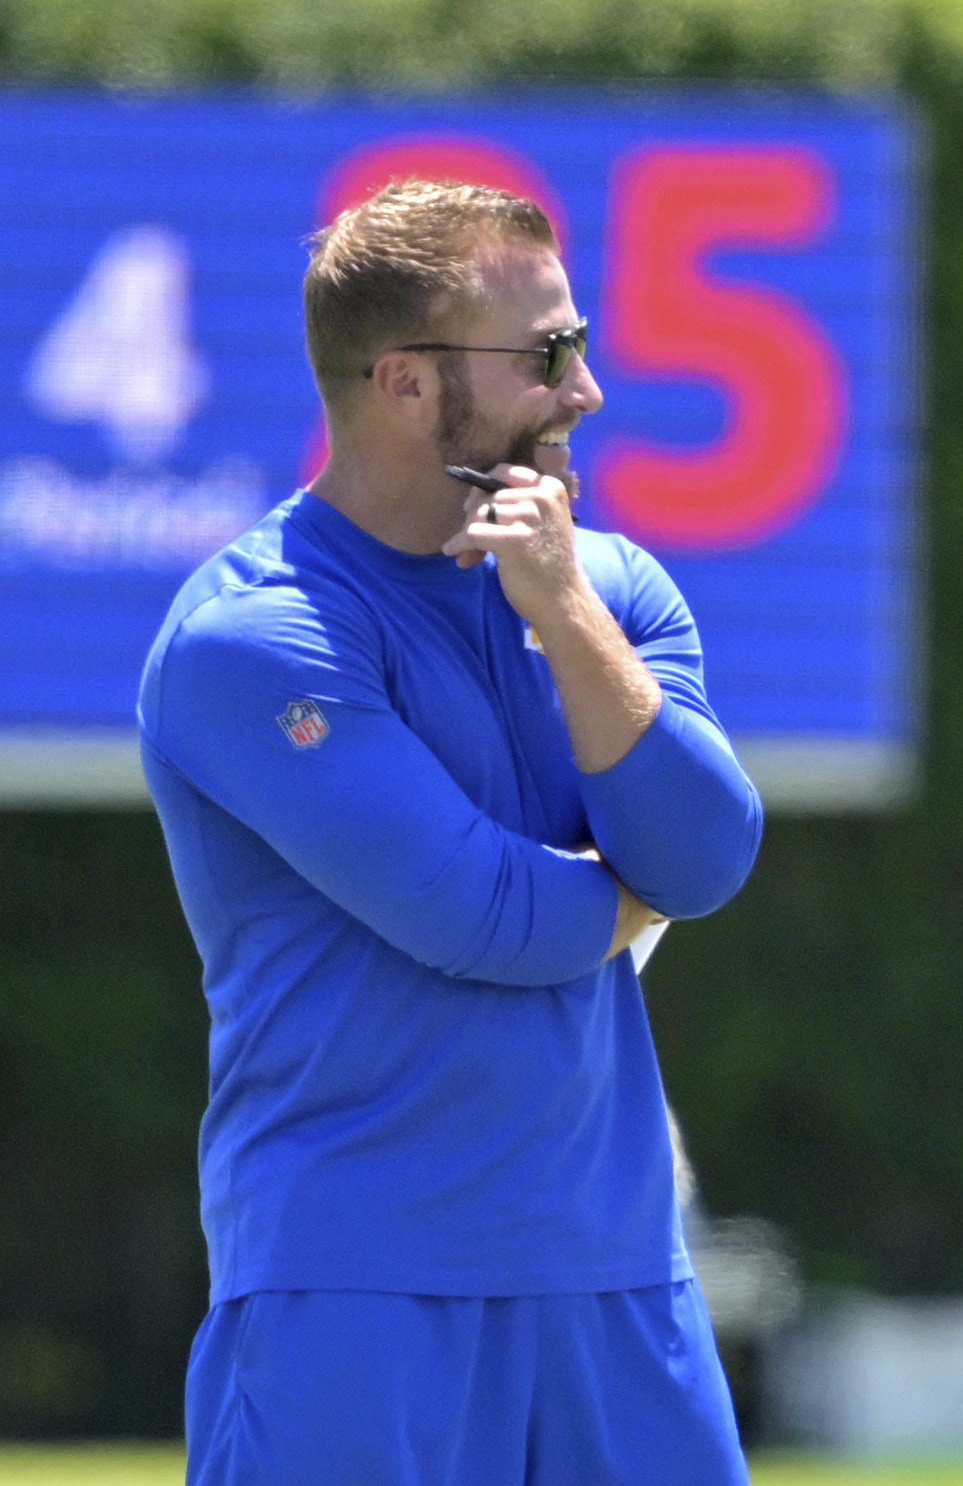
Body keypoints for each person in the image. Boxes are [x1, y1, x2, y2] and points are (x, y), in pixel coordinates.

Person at [139, 179, 764, 1484]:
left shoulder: (614, 587)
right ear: (409, 383)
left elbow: (706, 853)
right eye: (545, 354)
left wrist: (563, 611)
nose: (584, 388)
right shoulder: (253, 635)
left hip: (618, 1277)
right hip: (354, 1290)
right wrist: (631, 898)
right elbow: (482, 914)